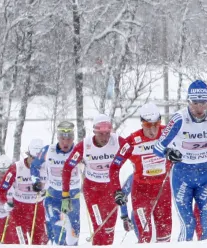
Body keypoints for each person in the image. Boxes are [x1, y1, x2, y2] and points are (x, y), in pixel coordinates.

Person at [152, 80, 207, 241]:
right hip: (183, 177)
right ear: (188, 102)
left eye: (203, 103)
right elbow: (157, 146)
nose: (199, 108)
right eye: (195, 103)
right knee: (188, 225)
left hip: (206, 176)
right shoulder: (179, 119)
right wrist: (168, 152)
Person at [62, 114, 131, 246]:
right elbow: (67, 168)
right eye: (101, 134)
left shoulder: (116, 140)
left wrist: (120, 162)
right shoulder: (85, 145)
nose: (105, 137)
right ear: (94, 132)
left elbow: (131, 147)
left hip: (111, 188)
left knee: (109, 228)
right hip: (93, 190)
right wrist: (65, 195)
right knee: (99, 226)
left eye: (107, 133)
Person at [114, 104, 172, 243]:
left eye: (156, 124)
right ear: (142, 123)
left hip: (162, 191)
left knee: (165, 238)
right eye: (147, 125)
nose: (152, 129)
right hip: (141, 192)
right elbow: (114, 168)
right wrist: (117, 191)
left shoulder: (169, 133)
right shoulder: (132, 141)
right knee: (145, 237)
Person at [31, 122, 83, 245]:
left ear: (73, 138)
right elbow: (34, 166)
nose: (66, 142)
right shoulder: (48, 150)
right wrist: (36, 181)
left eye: (69, 139)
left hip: (72, 198)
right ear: (58, 138)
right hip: (53, 197)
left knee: (73, 236)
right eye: (62, 139)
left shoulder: (79, 150)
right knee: (58, 232)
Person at [0, 140, 47, 245]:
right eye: (33, 158)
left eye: (38, 159)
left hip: (38, 210)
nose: (35, 162)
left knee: (40, 243)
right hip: (19, 211)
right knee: (19, 243)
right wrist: (6, 202)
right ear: (28, 154)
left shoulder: (46, 166)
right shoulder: (16, 168)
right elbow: (1, 190)